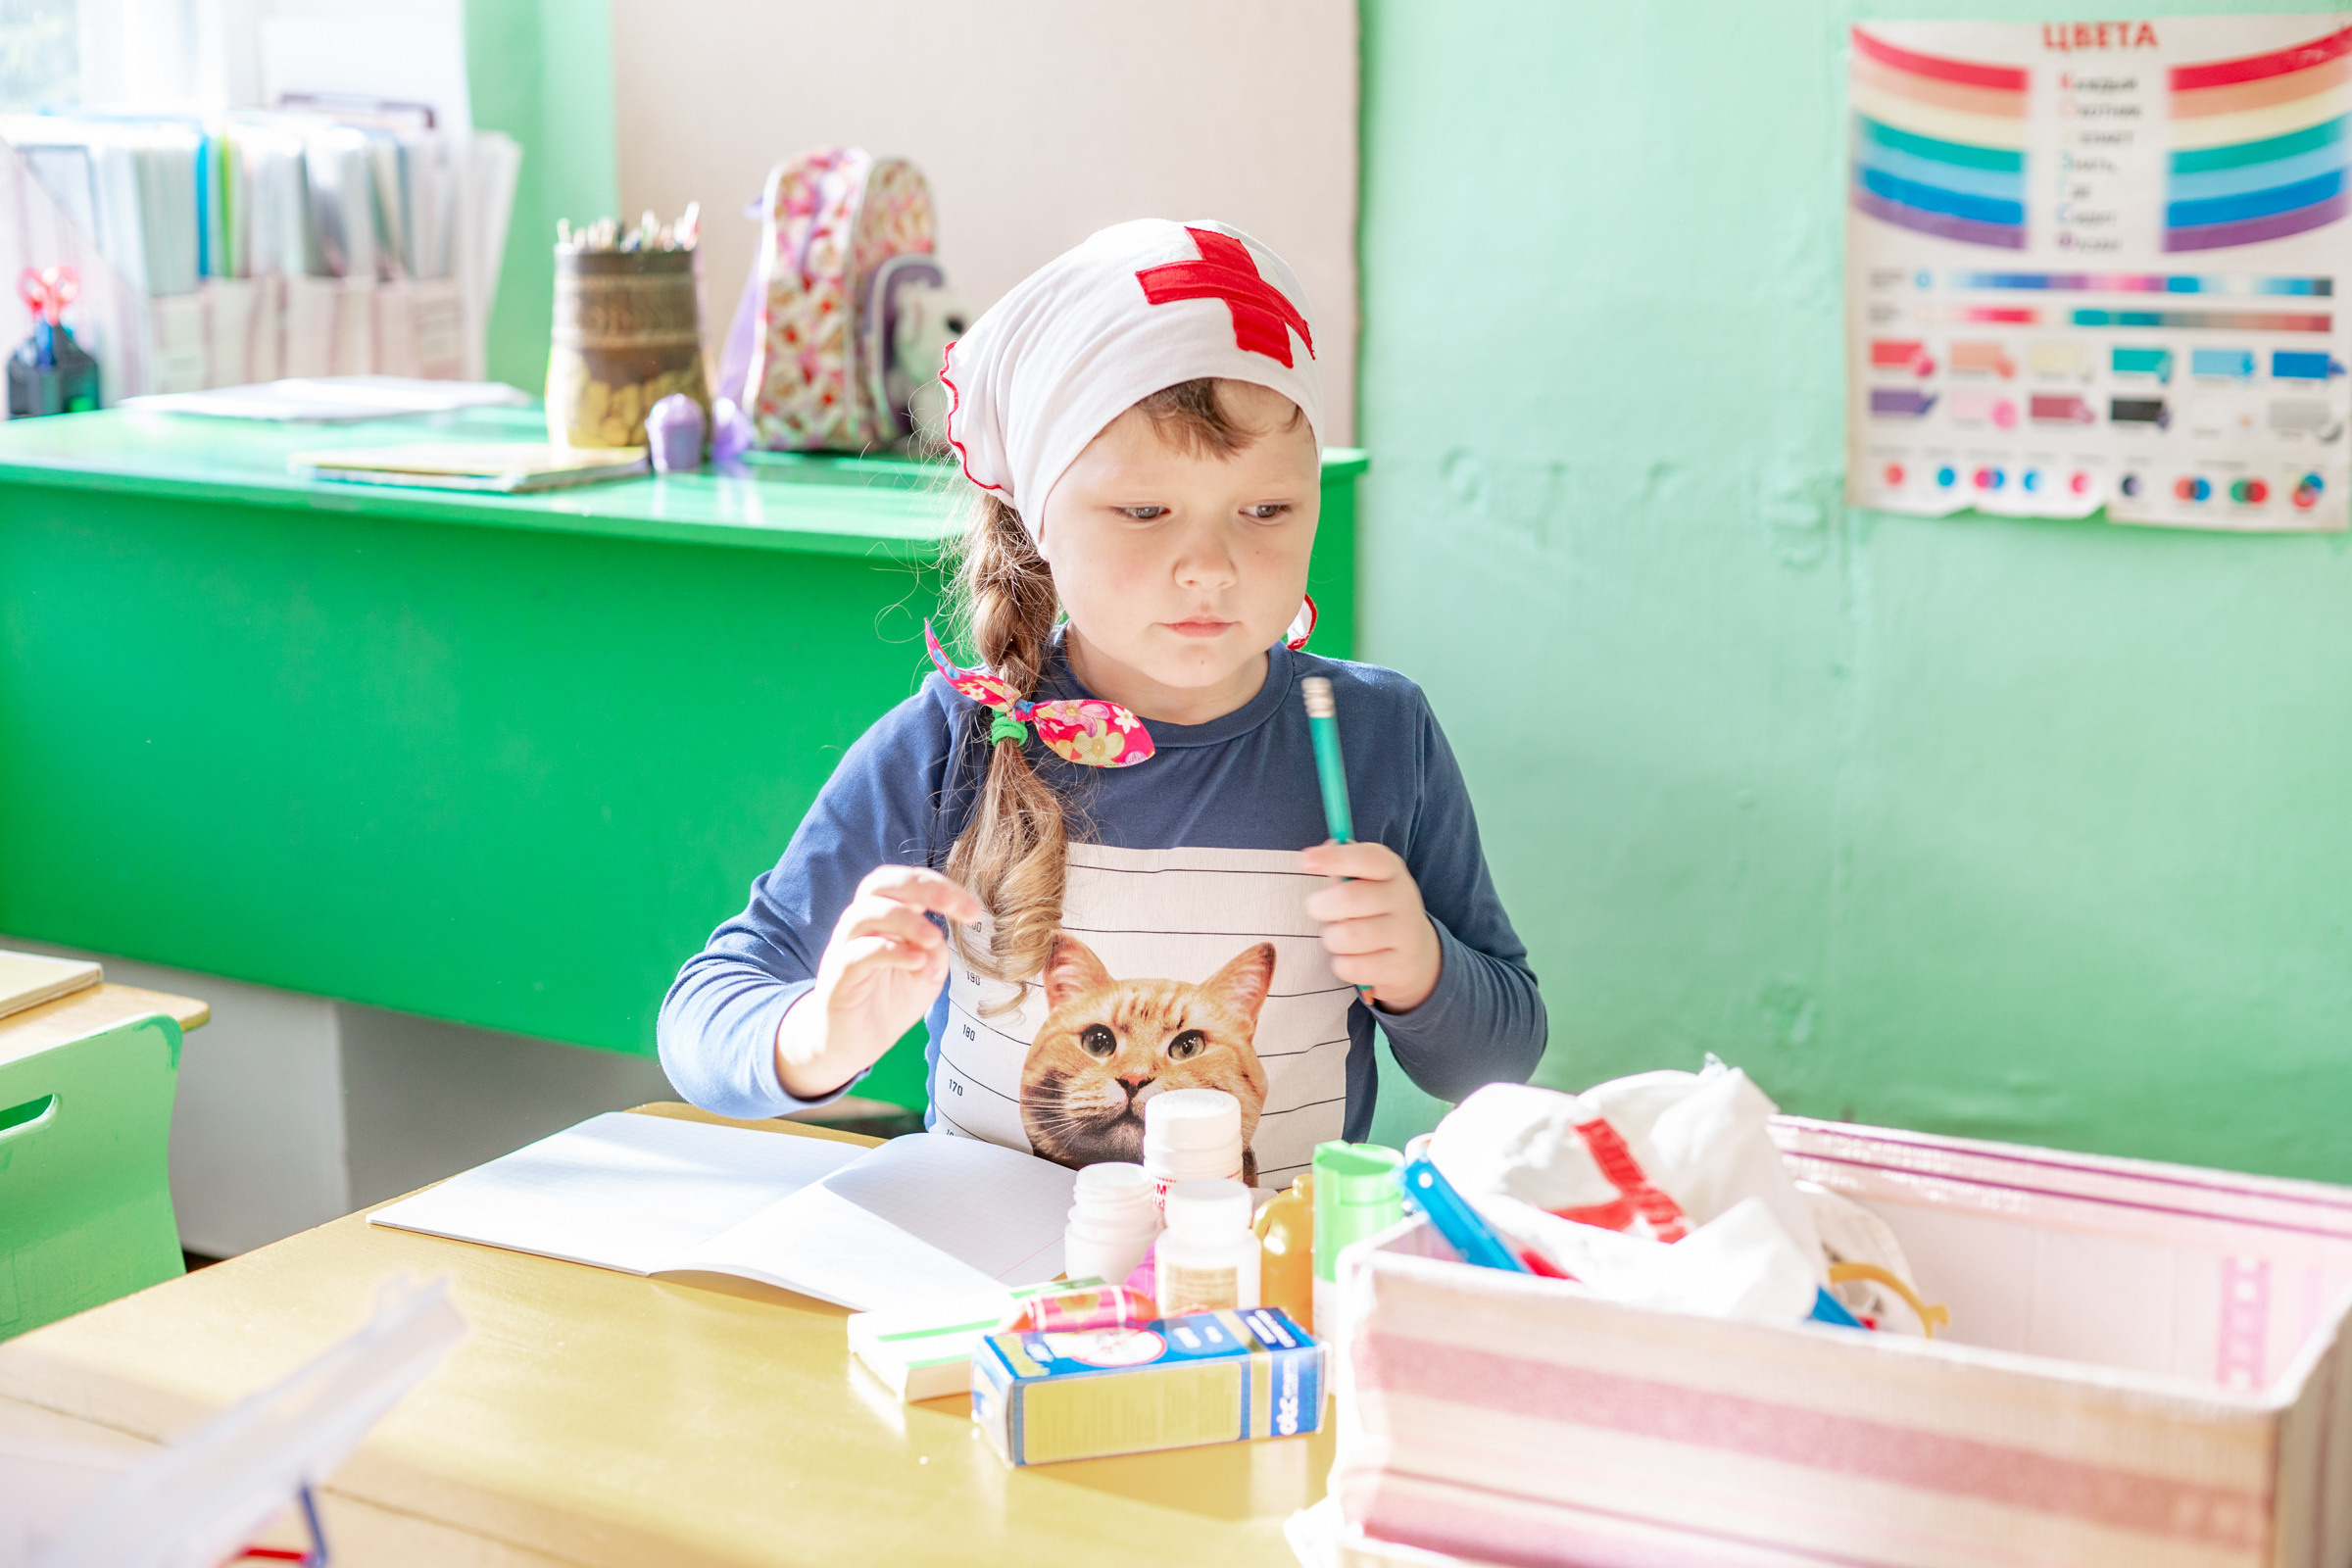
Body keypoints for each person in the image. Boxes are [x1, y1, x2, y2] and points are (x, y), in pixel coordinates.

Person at [659, 220, 1544, 1190]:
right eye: (1144, 510)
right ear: (1040, 519)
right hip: (988, 1304)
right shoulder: (954, 745)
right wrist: (817, 1034)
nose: (1209, 566)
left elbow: (1500, 1057)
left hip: (1258, 1302)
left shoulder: (1381, 736)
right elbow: (703, 1016)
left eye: (1267, 510)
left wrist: (1422, 969)